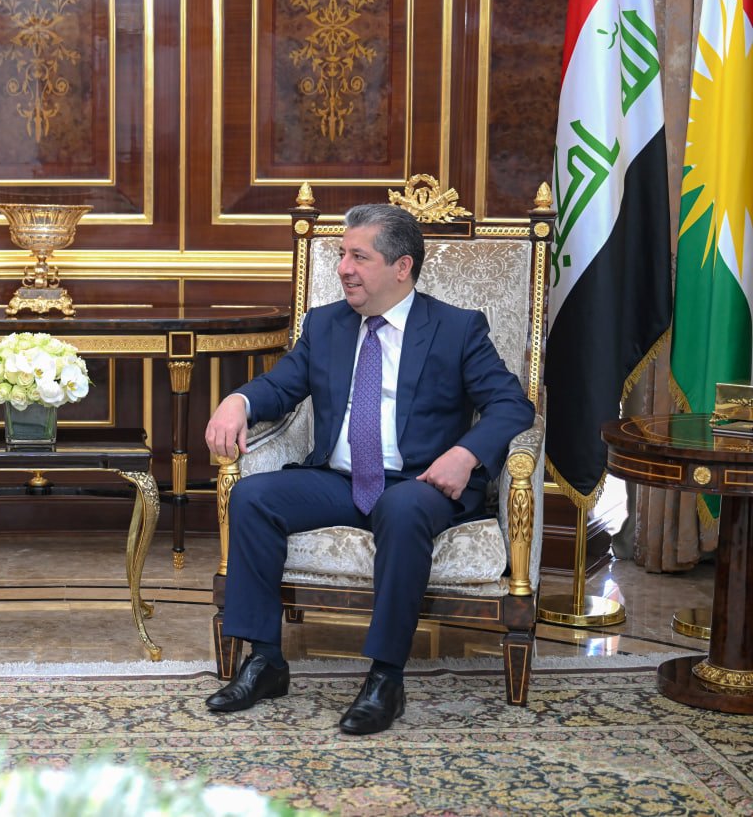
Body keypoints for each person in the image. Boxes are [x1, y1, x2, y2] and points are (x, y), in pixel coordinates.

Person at [202, 203, 533, 734]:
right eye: (342, 255)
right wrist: (237, 402)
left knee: (401, 510)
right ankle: (265, 661)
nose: (343, 269)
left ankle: (385, 678)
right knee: (253, 496)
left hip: (419, 482)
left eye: (359, 257)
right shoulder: (326, 324)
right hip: (340, 479)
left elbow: (512, 405)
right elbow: (282, 385)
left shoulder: (456, 328)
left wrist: (465, 454)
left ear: (401, 267)